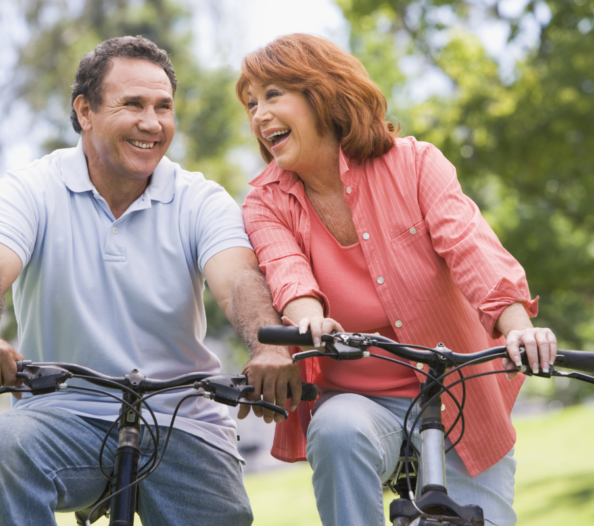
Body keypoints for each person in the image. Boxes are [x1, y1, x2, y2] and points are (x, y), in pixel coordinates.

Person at [0, 35, 301, 526]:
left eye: (163, 107)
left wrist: (266, 346)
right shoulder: (32, 187)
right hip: (64, 412)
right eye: (132, 104)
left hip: (182, 419)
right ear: (85, 111)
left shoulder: (199, 199)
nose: (152, 123)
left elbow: (239, 278)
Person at [236, 34, 557, 526]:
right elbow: (286, 273)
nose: (258, 114)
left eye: (273, 94)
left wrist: (518, 327)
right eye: (252, 103)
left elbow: (473, 250)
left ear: (321, 92)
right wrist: (310, 322)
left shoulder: (415, 163)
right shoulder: (265, 202)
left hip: (461, 392)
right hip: (359, 403)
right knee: (337, 430)